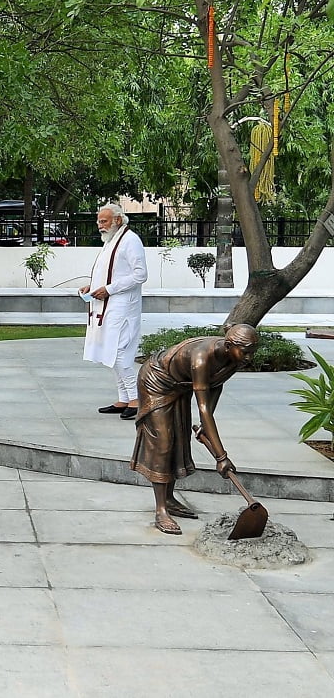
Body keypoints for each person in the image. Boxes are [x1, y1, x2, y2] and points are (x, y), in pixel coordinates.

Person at [132, 324, 259, 535]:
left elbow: (215, 385)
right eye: (245, 352)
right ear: (229, 345)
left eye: (252, 352)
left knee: (179, 437)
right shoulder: (201, 358)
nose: (249, 357)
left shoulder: (235, 358)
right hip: (157, 381)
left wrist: (205, 429)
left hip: (179, 385)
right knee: (163, 441)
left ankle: (170, 499)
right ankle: (161, 509)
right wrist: (221, 457)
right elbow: (203, 409)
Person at [79, 203, 148, 420]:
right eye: (99, 221)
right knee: (110, 351)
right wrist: (92, 286)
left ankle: (137, 400)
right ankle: (123, 399)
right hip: (107, 306)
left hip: (122, 306)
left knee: (119, 352)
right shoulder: (110, 242)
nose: (100, 226)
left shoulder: (130, 241)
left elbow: (140, 275)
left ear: (118, 220)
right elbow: (109, 272)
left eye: (104, 221)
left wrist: (109, 289)